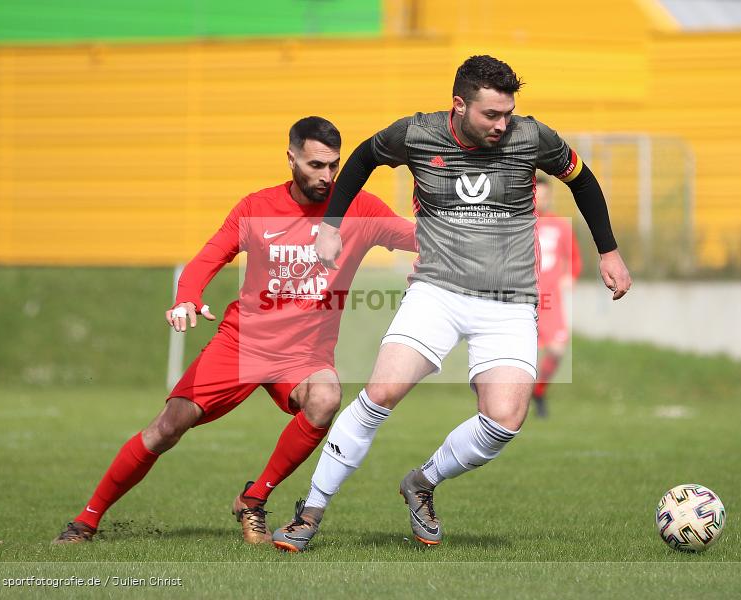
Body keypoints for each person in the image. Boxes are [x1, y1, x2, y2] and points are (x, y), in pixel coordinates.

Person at [272, 55, 631, 552]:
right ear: (459, 105)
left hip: (509, 302)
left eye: (507, 114)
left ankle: (422, 482)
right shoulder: (417, 134)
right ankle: (310, 511)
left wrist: (608, 251)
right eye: (491, 115)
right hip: (437, 291)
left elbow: (582, 180)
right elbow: (361, 159)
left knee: (505, 419)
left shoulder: (533, 138)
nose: (502, 125)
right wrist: (330, 224)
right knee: (381, 393)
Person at [53, 117, 416, 545]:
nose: (327, 176)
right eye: (316, 165)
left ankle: (253, 500)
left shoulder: (358, 208)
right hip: (242, 343)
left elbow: (420, 237)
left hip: (303, 356)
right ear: (291, 158)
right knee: (167, 427)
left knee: (325, 398)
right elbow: (208, 258)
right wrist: (186, 296)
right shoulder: (255, 207)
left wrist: (449, 209)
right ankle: (86, 520)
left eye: (334, 166)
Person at [532, 175, 582, 418]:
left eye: (543, 194)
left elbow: (574, 258)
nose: (539, 199)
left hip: (550, 300)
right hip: (522, 297)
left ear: (549, 196)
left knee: (557, 351)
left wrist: (570, 276)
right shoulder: (519, 223)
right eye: (535, 194)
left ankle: (538, 392)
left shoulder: (560, 225)